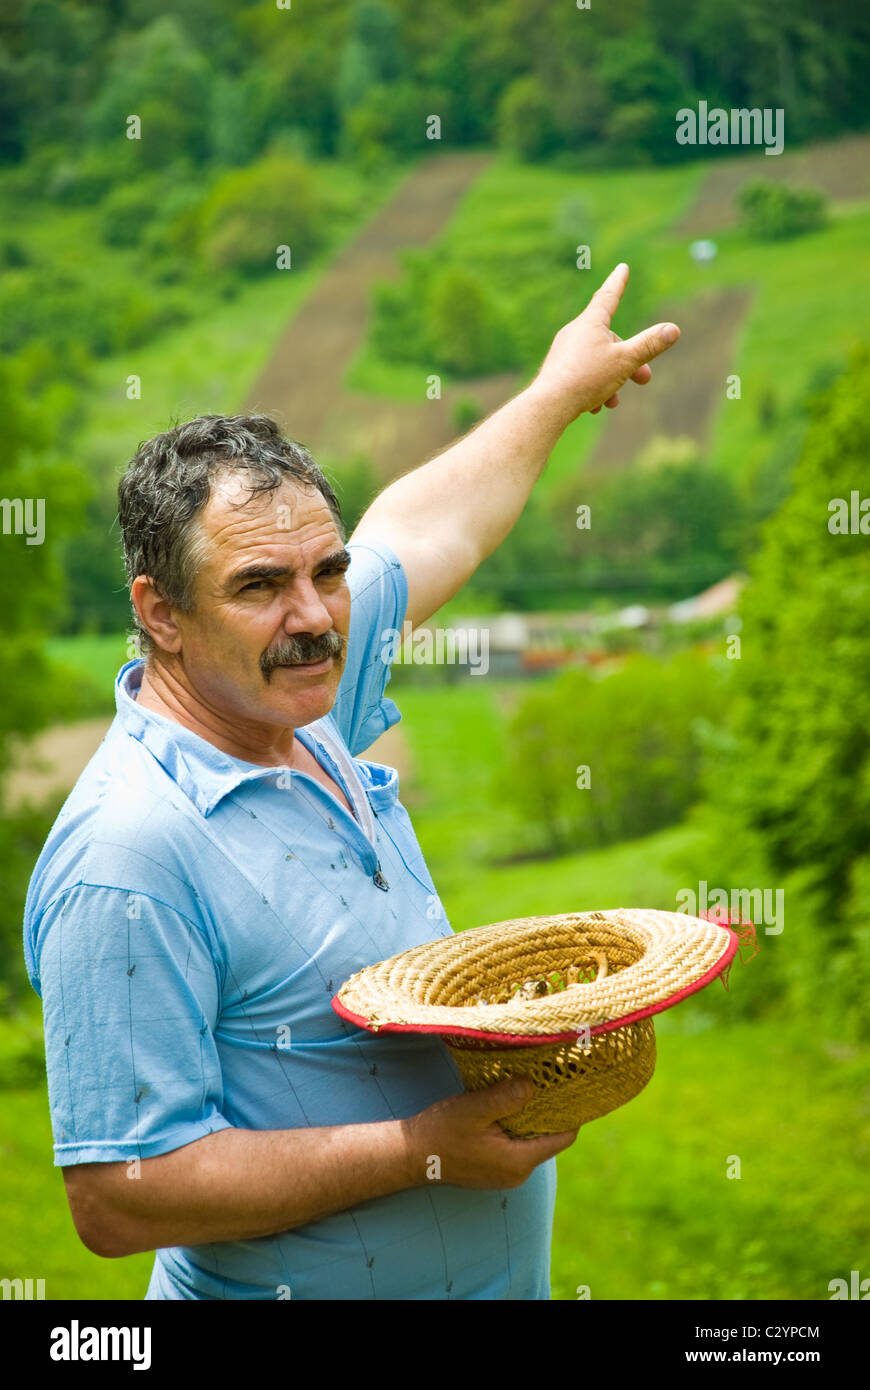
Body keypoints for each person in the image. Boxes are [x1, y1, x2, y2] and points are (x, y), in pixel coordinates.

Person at [23, 264, 679, 1300]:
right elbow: (121, 1194)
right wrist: (423, 1148)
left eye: (325, 570)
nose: (318, 614)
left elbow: (426, 528)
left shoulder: (289, 690)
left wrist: (558, 390)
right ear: (160, 612)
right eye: (260, 585)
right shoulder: (130, 853)